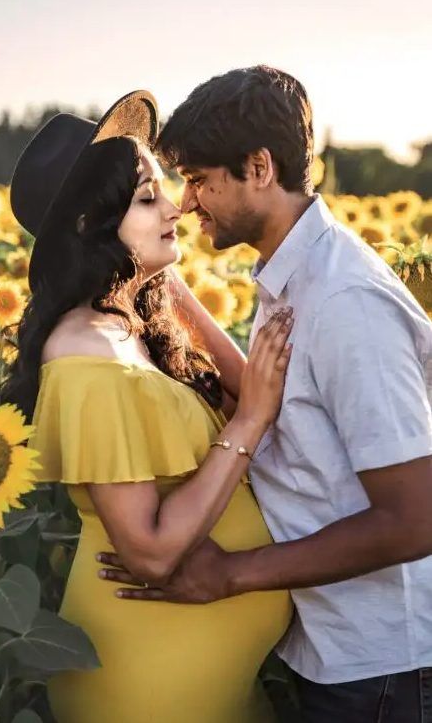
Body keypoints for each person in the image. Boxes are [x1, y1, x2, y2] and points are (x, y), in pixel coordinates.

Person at [98, 67, 432, 723]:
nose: (187, 203)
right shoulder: (298, 272)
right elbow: (276, 399)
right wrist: (158, 282)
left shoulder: (345, 302)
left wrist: (230, 573)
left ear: (258, 167)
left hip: (381, 664)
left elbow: (415, 518)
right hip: (338, 647)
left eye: (199, 179)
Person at [0, 90, 293, 723]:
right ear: (90, 225)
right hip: (149, 682)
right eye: (147, 198)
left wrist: (158, 274)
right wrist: (249, 423)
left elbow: (246, 386)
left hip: (204, 676)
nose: (177, 207)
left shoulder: (128, 326)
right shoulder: (85, 358)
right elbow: (152, 553)